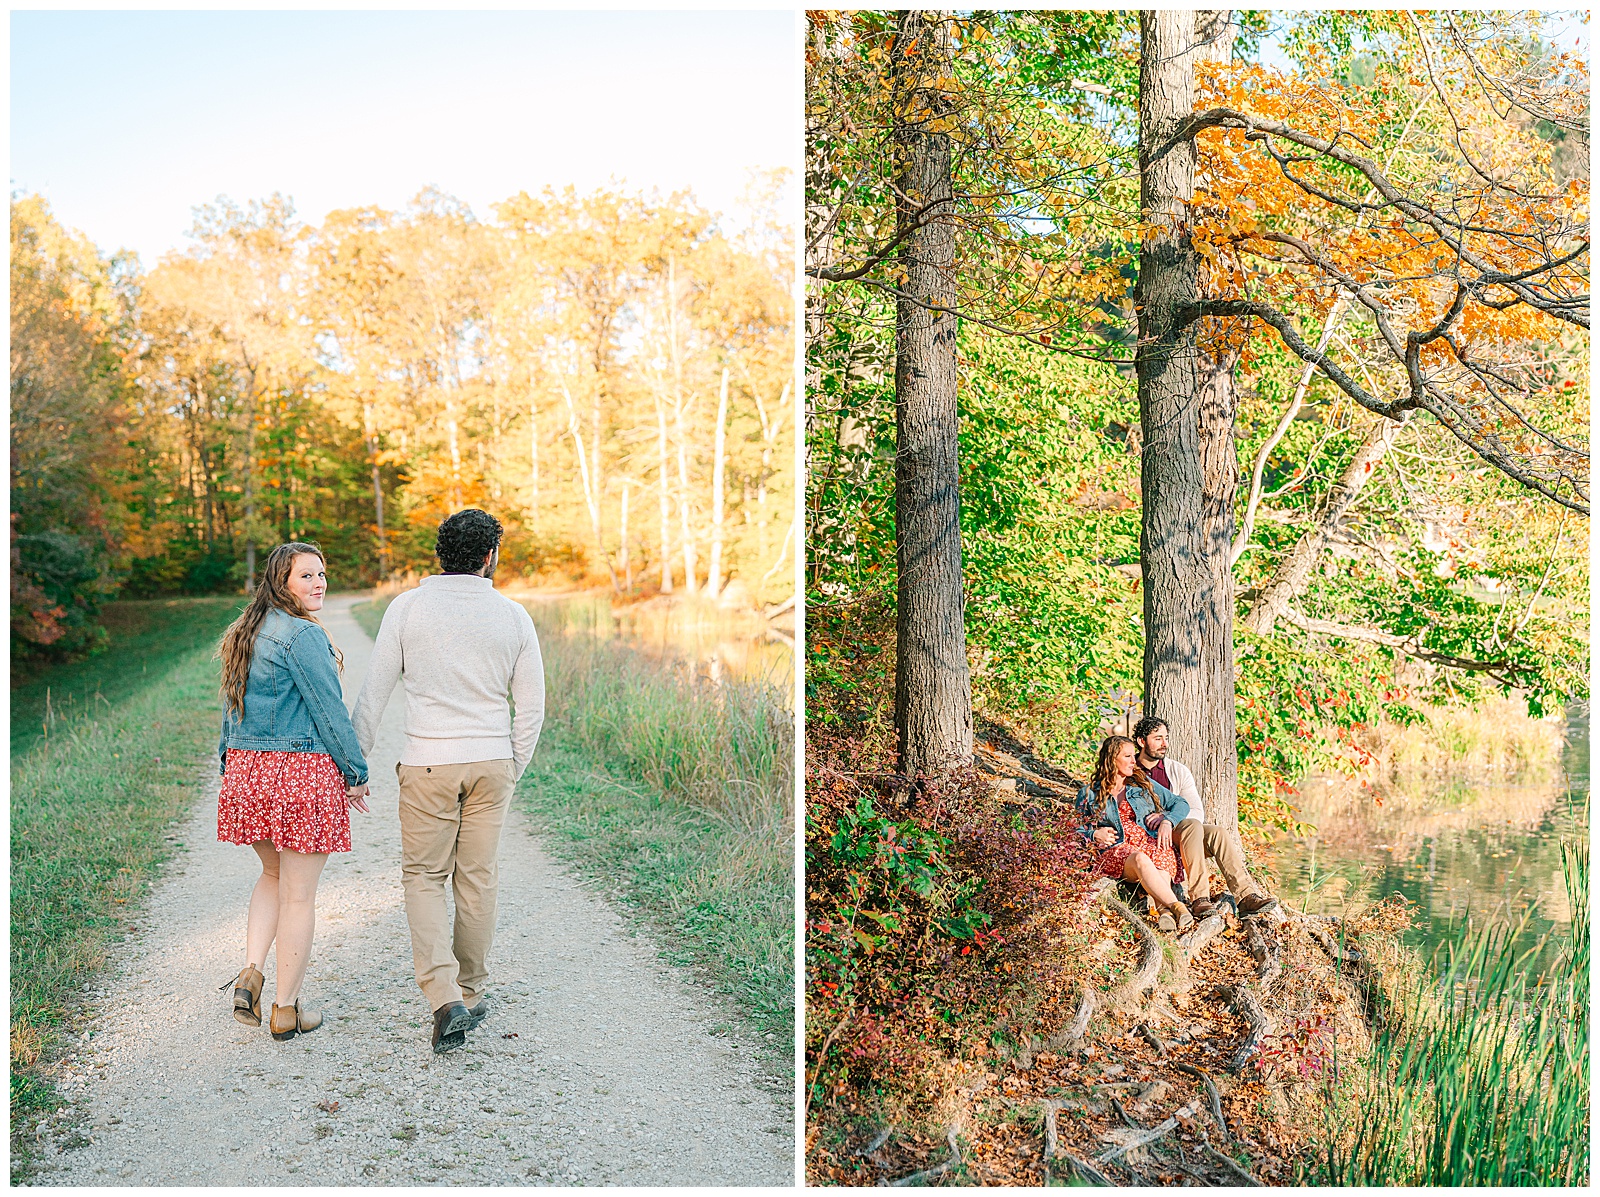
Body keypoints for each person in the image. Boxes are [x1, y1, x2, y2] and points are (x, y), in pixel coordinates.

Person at [352, 509, 545, 1054]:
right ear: (489, 557)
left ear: (441, 555)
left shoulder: (407, 608)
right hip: (490, 763)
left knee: (423, 877)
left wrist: (354, 764)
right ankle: (470, 990)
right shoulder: (513, 617)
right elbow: (530, 709)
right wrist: (512, 765)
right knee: (477, 880)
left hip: (428, 765)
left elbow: (373, 694)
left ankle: (444, 999)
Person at [217, 542, 370, 1041]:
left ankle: (251, 974)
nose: (318, 583)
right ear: (280, 581)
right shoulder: (301, 635)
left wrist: (230, 764)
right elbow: (328, 710)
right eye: (306, 576)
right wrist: (354, 771)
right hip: (299, 773)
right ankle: (285, 1010)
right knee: (299, 897)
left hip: (248, 771)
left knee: (272, 872)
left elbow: (230, 706)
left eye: (322, 573)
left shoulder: (246, 629)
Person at [1131, 716, 1279, 918]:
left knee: (1216, 832)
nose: (1164, 744)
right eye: (1158, 738)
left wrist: (1167, 818)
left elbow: (1196, 811)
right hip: (1148, 836)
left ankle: (1246, 897)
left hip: (1179, 831)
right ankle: (1199, 898)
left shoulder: (1177, 771)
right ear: (1141, 741)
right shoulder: (1130, 771)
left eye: (1166, 737)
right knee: (1191, 825)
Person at [1077, 735, 1194, 932]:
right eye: (1128, 756)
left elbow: (1180, 803)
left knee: (1162, 851)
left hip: (1147, 840)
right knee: (1141, 859)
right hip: (1117, 849)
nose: (1134, 761)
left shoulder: (1141, 783)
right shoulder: (1089, 793)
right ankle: (1178, 907)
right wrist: (1094, 834)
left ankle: (1165, 913)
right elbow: (1073, 830)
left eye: (1134, 756)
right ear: (1112, 759)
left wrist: (1167, 820)